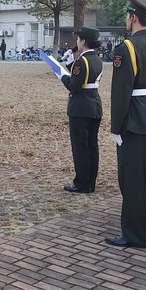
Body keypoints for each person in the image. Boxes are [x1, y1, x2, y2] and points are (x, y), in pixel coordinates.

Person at [106, 0, 146, 248]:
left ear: (133, 18)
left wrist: (116, 127)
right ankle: (143, 230)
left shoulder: (127, 48)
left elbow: (121, 92)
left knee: (131, 180)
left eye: (127, 16)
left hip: (132, 121)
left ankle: (133, 234)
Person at [61, 27, 103, 194]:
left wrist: (62, 76)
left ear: (84, 41)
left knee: (80, 147)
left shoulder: (82, 61)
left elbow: (75, 86)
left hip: (80, 108)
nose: (77, 42)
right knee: (92, 146)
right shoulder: (97, 59)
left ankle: (82, 183)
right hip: (94, 105)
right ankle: (90, 182)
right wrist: (70, 64)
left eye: (78, 39)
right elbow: (85, 76)